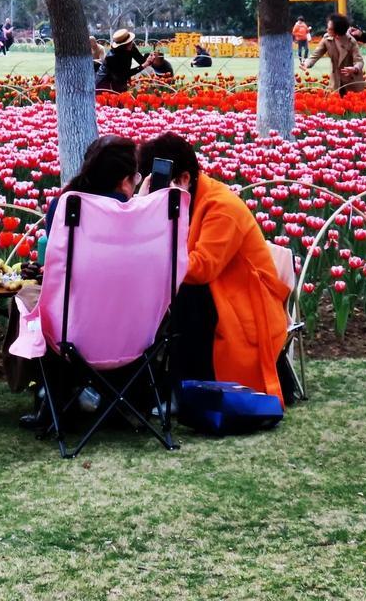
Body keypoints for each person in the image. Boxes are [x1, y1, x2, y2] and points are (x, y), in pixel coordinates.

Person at [137, 134, 289, 401]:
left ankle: (183, 391)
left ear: (184, 179)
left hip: (245, 302)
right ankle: (147, 388)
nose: (155, 194)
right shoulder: (182, 200)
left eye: (159, 185)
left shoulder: (221, 208)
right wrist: (142, 206)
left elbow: (201, 268)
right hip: (214, 292)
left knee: (185, 297)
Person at [15, 135, 141, 428]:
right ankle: (120, 400)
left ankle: (51, 397)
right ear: (124, 180)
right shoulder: (142, 213)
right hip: (133, 332)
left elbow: (57, 269)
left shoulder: (64, 205)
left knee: (29, 298)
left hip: (73, 331)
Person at [301, 15, 365, 94]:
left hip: (352, 81)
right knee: (335, 103)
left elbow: (359, 61)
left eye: (330, 29)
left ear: (337, 30)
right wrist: (306, 63)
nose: (327, 30)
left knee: (352, 104)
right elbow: (315, 55)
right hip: (336, 81)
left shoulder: (351, 41)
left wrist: (355, 68)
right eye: (327, 27)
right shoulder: (327, 39)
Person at [95, 28, 153, 92]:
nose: (132, 43)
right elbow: (124, 74)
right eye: (129, 42)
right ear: (122, 45)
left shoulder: (131, 47)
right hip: (105, 82)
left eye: (131, 41)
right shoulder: (112, 57)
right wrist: (144, 65)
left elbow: (142, 61)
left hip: (119, 81)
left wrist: (149, 57)